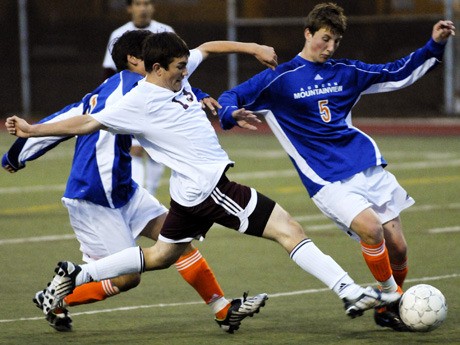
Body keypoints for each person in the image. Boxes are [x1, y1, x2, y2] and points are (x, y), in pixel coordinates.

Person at [5, 32, 401, 332]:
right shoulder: (136, 101)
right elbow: (86, 121)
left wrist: (250, 52)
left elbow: (207, 49)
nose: (185, 73)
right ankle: (348, 290)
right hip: (210, 187)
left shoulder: (175, 77)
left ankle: (78, 274)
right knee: (289, 229)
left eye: (184, 66)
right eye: (179, 68)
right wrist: (32, 130)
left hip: (188, 191)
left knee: (162, 256)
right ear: (155, 68)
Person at [2, 30, 281, 333]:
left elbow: (70, 113)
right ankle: (55, 297)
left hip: (124, 189)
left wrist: (17, 155)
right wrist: (28, 136)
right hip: (93, 196)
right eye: (148, 53)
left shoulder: (120, 85)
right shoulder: (133, 89)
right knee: (127, 278)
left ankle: (223, 309)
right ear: (135, 60)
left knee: (176, 241)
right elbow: (81, 122)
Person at [216, 2, 456, 332]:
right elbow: (232, 96)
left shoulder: (346, 72)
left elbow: (397, 72)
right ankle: (392, 300)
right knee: (371, 229)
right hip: (326, 179)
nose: (329, 48)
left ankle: (389, 300)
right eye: (325, 38)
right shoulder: (280, 79)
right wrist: (230, 114)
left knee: (398, 246)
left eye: (336, 42)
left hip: (366, 166)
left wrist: (434, 45)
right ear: (308, 33)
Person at [103, 0, 175, 197]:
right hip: (131, 102)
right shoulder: (119, 34)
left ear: (153, 6)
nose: (142, 8)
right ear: (129, 8)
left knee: (156, 151)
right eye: (138, 3)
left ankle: (148, 195)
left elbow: (177, 67)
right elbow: (110, 72)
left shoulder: (165, 31)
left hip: (159, 101)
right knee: (134, 150)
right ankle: (140, 196)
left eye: (147, 3)